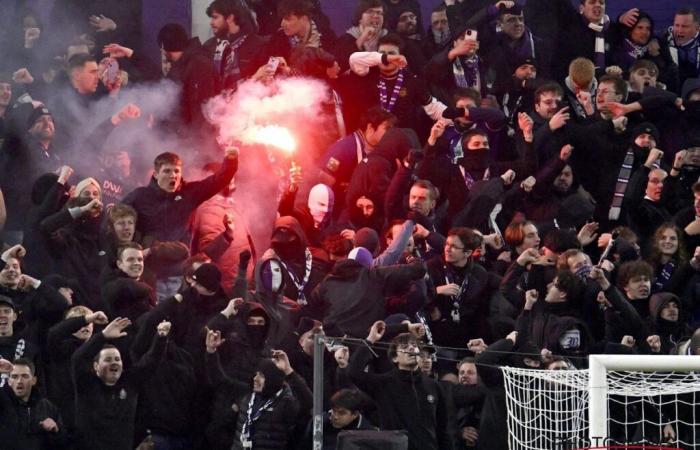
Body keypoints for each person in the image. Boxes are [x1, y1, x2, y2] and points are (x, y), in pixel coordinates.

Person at [349, 322, 455, 450]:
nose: (411, 348)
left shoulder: (434, 386)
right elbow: (354, 372)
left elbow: (443, 429)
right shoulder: (383, 384)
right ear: (394, 358)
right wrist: (371, 339)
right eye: (405, 346)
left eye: (414, 346)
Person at [71, 316, 167, 450]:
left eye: (117, 359)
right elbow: (78, 359)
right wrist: (103, 336)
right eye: (108, 359)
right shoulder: (86, 384)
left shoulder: (129, 382)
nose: (114, 362)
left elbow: (150, 361)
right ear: (96, 366)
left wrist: (161, 338)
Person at [157, 23, 217, 127]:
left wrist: (197, 141)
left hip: (194, 137)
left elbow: (200, 109)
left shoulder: (198, 64)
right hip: (182, 135)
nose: (161, 51)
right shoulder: (182, 63)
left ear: (165, 47)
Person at [0, 358, 68, 449]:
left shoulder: (47, 407)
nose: (19, 381)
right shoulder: (2, 402)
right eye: (14, 377)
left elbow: (63, 444)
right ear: (9, 381)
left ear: (34, 380)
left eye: (25, 376)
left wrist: (55, 431)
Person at [204, 0, 266, 91]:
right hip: (215, 103)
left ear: (230, 18)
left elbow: (264, 82)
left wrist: (253, 79)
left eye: (215, 17)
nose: (211, 23)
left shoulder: (258, 45)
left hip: (247, 101)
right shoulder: (209, 46)